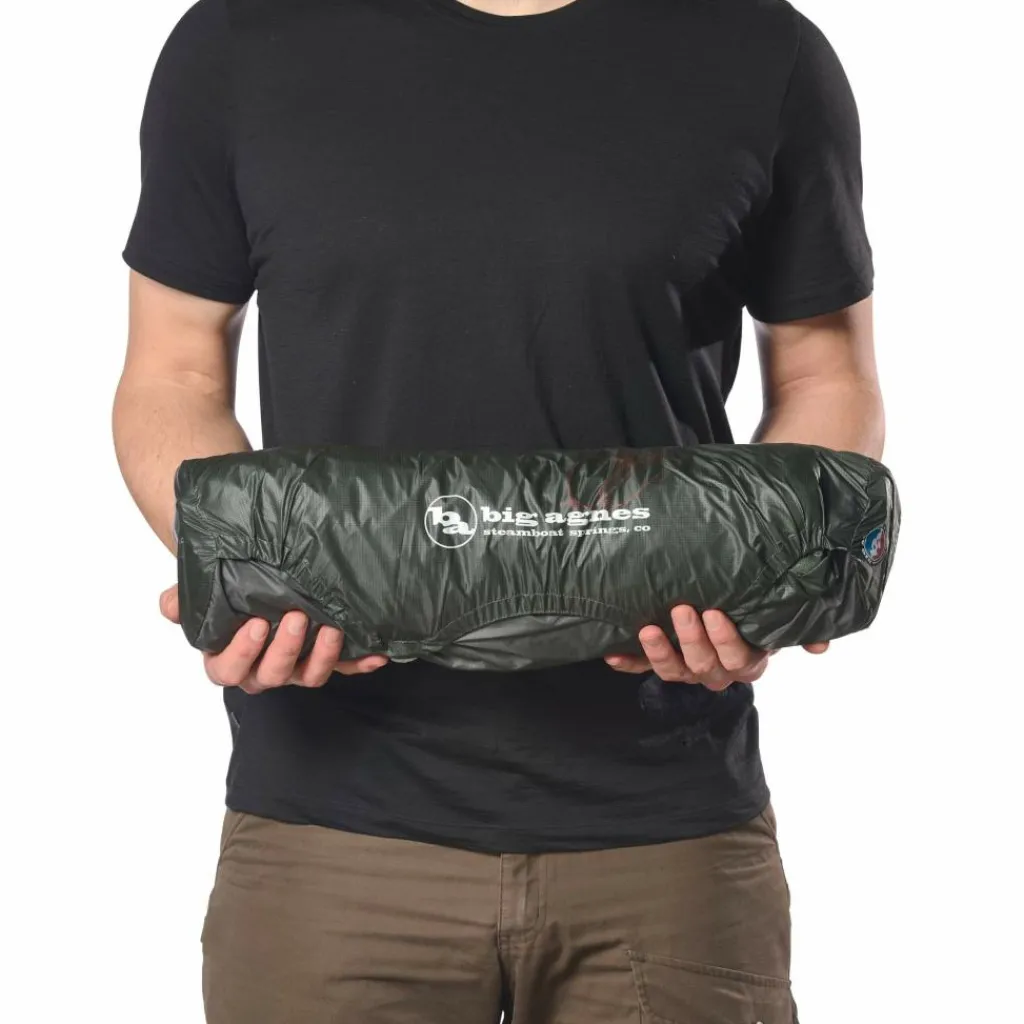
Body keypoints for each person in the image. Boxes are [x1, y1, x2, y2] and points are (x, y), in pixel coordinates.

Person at [113, 0, 882, 1020]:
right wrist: (246, 575)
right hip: (331, 824)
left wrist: (766, 585)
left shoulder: (760, 47)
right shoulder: (242, 39)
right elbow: (171, 370)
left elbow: (826, 370)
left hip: (667, 829)